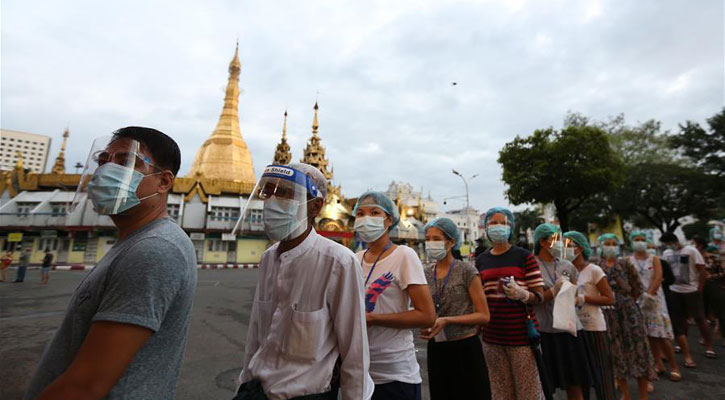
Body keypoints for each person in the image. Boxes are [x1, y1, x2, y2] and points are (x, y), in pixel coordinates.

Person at [25, 127, 197, 400]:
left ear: (164, 182)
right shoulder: (135, 242)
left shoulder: (155, 249)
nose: (106, 170)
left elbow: (86, 386)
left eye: (126, 161)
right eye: (103, 161)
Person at [237, 163, 373, 400]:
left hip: (307, 394)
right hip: (256, 391)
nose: (271, 200)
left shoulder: (339, 262)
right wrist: (244, 383)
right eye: (268, 191)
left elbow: (355, 351)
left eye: (285, 193)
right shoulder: (269, 258)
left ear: (316, 206)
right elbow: (256, 334)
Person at [353, 191, 435, 400]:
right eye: (360, 214)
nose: (365, 219)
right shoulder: (355, 259)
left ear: (389, 220)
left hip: (396, 375)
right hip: (360, 373)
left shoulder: (404, 256)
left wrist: (373, 319)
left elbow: (426, 316)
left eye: (374, 212)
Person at [476, 207, 546, 400]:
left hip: (521, 337)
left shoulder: (524, 256)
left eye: (504, 223)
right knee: (500, 391)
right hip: (492, 337)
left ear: (511, 228)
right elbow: (479, 296)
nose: (498, 227)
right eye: (493, 223)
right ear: (486, 228)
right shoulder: (481, 260)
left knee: (528, 392)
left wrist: (523, 294)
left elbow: (539, 295)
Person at [420, 218, 491, 400]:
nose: (430, 244)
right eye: (428, 239)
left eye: (436, 239)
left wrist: (448, 320)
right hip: (437, 348)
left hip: (465, 348)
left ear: (451, 242)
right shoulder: (426, 272)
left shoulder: (466, 271)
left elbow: (483, 315)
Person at [532, 224, 590, 400]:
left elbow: (577, 292)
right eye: (556, 239)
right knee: (546, 384)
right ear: (542, 242)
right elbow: (532, 298)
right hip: (545, 331)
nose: (561, 244)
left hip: (570, 330)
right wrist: (552, 293)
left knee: (575, 380)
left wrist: (576, 299)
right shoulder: (531, 265)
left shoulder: (567, 265)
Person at [597, 233, 656, 400]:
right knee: (616, 352)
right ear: (601, 246)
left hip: (629, 310)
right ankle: (626, 394)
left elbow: (637, 287)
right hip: (609, 312)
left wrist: (626, 302)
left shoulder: (625, 263)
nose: (610, 246)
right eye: (606, 243)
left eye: (613, 243)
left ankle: (643, 394)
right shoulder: (598, 266)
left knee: (639, 349)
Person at [562, 231, 616, 400]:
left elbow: (609, 298)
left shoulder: (594, 270)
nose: (565, 248)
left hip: (594, 327)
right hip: (574, 329)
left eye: (570, 245)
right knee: (580, 375)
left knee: (602, 374)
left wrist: (583, 298)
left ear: (580, 247)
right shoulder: (564, 271)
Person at [629, 231, 681, 382]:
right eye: (637, 239)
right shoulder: (628, 260)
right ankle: (657, 364)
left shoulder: (654, 259)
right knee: (646, 336)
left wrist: (648, 295)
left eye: (642, 239)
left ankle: (674, 366)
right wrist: (636, 297)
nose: (640, 242)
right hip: (637, 302)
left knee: (661, 335)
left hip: (655, 302)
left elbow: (658, 277)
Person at [660, 232, 716, 364]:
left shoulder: (691, 251)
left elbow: (701, 269)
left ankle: (709, 346)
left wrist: (699, 288)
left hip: (691, 289)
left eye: (669, 243)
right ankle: (681, 343)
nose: (669, 246)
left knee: (700, 318)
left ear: (675, 241)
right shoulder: (667, 254)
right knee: (679, 319)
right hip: (674, 290)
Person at [693, 236, 725, 349]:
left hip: (713, 285)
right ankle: (706, 337)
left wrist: (710, 276)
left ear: (700, 245)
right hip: (699, 286)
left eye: (694, 244)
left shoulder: (712, 258)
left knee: (721, 311)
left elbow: (722, 272)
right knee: (703, 313)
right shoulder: (694, 259)